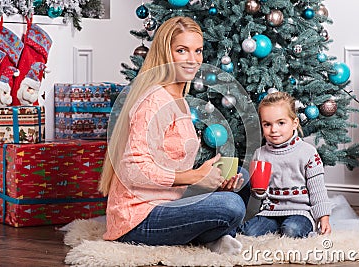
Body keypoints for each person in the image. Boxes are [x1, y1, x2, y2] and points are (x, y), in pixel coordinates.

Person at [98, 16, 247, 255]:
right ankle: (214, 236)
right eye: (182, 50)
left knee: (241, 176)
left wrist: (212, 181)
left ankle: (211, 235)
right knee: (231, 205)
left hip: (168, 203)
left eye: (197, 51)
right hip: (139, 218)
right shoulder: (153, 101)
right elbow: (133, 169)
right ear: (165, 54)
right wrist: (193, 177)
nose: (193, 60)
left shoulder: (179, 101)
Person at [239, 91, 331, 238]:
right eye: (267, 124)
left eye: (281, 123)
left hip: (300, 212)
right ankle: (276, 228)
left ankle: (301, 231)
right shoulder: (260, 154)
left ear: (294, 123)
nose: (274, 130)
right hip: (271, 211)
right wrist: (259, 192)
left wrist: (323, 218)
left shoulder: (307, 153)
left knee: (292, 230)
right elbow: (257, 193)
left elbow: (318, 190)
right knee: (248, 232)